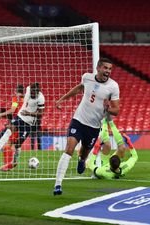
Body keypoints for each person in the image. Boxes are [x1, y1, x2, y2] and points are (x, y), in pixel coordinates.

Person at [53, 58, 120, 196]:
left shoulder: (113, 86)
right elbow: (79, 88)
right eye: (105, 68)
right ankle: (58, 184)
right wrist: (62, 99)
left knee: (84, 153)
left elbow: (116, 111)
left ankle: (82, 160)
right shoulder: (87, 77)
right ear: (98, 68)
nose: (108, 71)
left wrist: (108, 108)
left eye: (110, 69)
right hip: (78, 120)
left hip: (94, 127)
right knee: (69, 149)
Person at [0, 83, 45, 170]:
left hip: (29, 123)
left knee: (16, 145)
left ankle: (13, 163)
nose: (32, 94)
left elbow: (41, 114)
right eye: (32, 92)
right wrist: (20, 96)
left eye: (35, 92)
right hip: (19, 117)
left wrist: (28, 113)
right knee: (9, 130)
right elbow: (18, 103)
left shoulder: (40, 98)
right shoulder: (25, 92)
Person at [0, 84, 24, 170]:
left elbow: (13, 110)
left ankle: (8, 165)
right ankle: (10, 164)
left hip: (17, 124)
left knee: (9, 144)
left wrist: (0, 115)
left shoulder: (15, 98)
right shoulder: (25, 99)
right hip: (24, 124)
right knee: (15, 145)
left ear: (16, 91)